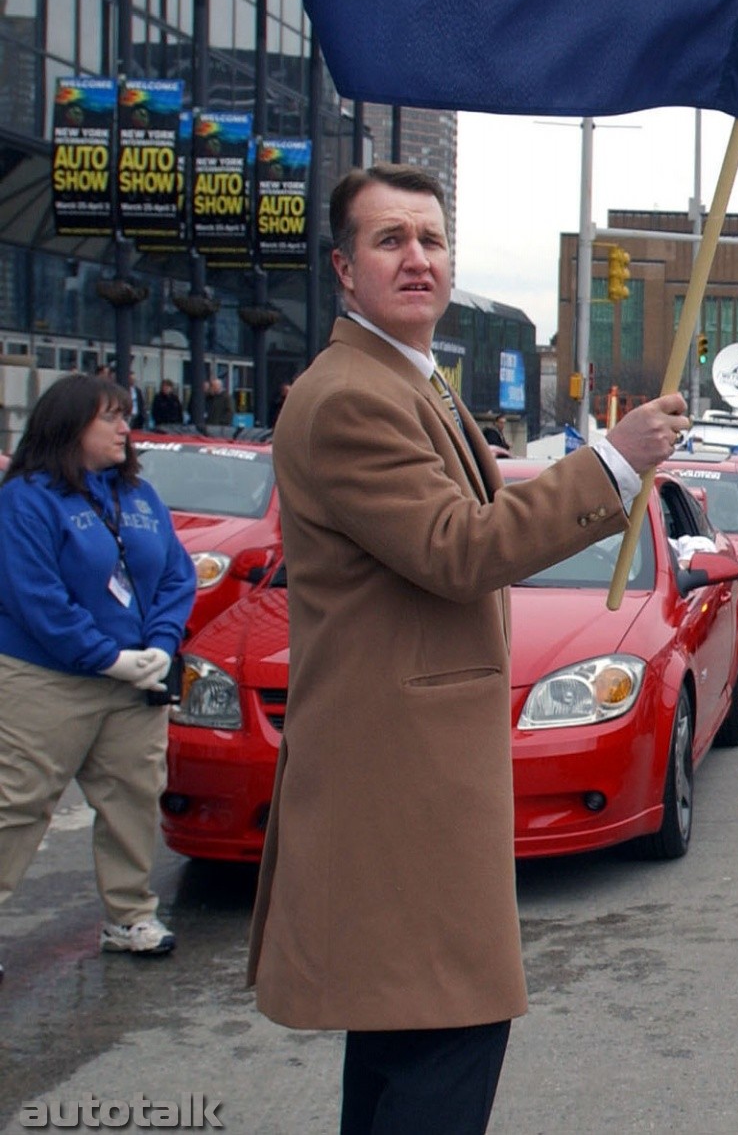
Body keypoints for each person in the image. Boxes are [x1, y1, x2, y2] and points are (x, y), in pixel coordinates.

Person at [245, 164, 692, 1135]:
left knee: (408, 1039)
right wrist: (612, 460)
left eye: (432, 240)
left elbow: (471, 521)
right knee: (446, 1042)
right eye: (389, 240)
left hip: (415, 784)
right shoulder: (352, 398)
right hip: (398, 792)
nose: (418, 258)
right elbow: (461, 548)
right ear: (343, 268)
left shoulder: (408, 378)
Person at [0, 373, 198, 985]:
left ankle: (130, 914)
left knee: (133, 796)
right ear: (68, 426)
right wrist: (105, 656)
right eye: (109, 417)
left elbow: (175, 576)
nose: (124, 428)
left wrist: (160, 647)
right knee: (18, 801)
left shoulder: (139, 497)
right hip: (47, 677)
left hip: (133, 679)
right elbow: (35, 596)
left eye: (126, 415)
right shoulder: (27, 499)